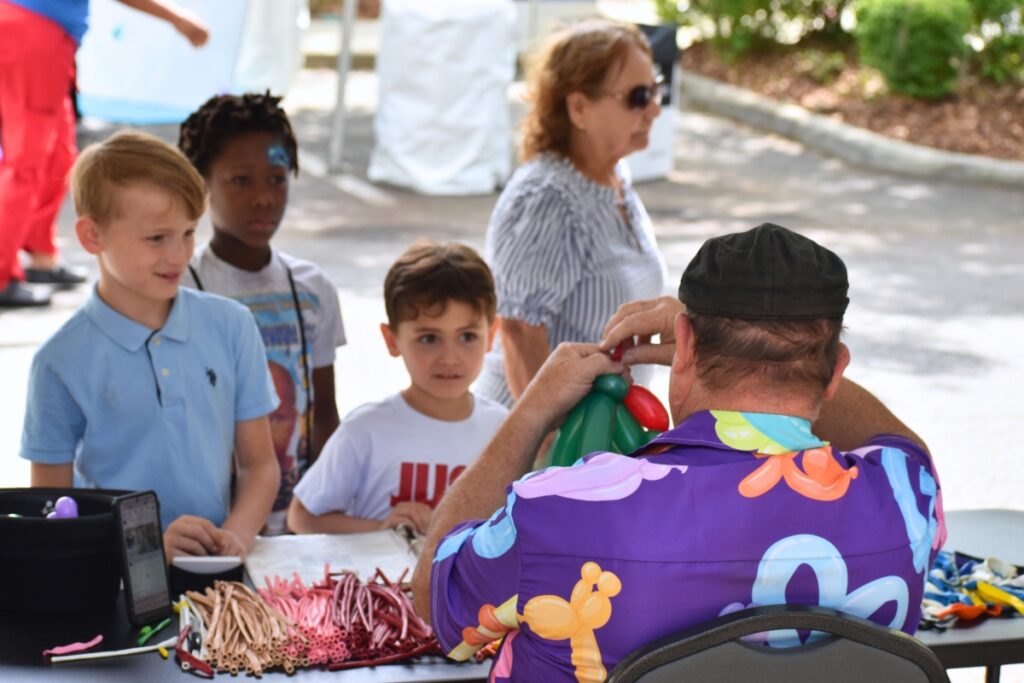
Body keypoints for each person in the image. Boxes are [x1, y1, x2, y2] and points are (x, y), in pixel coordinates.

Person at [413, 223, 944, 681]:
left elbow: (435, 600)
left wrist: (528, 414)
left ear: (684, 343)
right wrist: (798, 367)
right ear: (836, 370)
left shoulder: (559, 513)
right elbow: (906, 447)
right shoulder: (902, 500)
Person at [20, 131, 280, 560]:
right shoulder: (58, 361)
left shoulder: (232, 326)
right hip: (110, 582)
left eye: (188, 233)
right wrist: (147, 555)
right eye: (157, 238)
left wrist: (234, 538)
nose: (179, 256)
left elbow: (259, 466)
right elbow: (54, 517)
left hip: (218, 571)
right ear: (91, 237)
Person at [474, 19, 668, 408]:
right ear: (579, 107)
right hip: (546, 445)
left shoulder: (615, 177)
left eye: (657, 91)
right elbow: (518, 333)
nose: (653, 111)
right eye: (637, 96)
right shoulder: (547, 197)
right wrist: (549, 449)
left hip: (593, 437)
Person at [179, 92, 345, 535]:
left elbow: (325, 412)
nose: (263, 198)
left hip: (294, 525)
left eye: (276, 179)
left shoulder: (313, 290)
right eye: (240, 181)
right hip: (208, 526)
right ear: (201, 184)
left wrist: (320, 508)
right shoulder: (178, 288)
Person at [287, 241, 508, 535]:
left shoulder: (504, 430)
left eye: (467, 336)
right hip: (380, 581)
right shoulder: (365, 429)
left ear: (491, 335)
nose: (450, 358)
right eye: (429, 338)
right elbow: (302, 518)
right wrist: (381, 529)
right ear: (391, 340)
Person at [0, 0, 209, 307]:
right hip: (34, 27)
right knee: (27, 159)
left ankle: (39, 255)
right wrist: (178, 18)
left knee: (57, 152)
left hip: (41, 29)